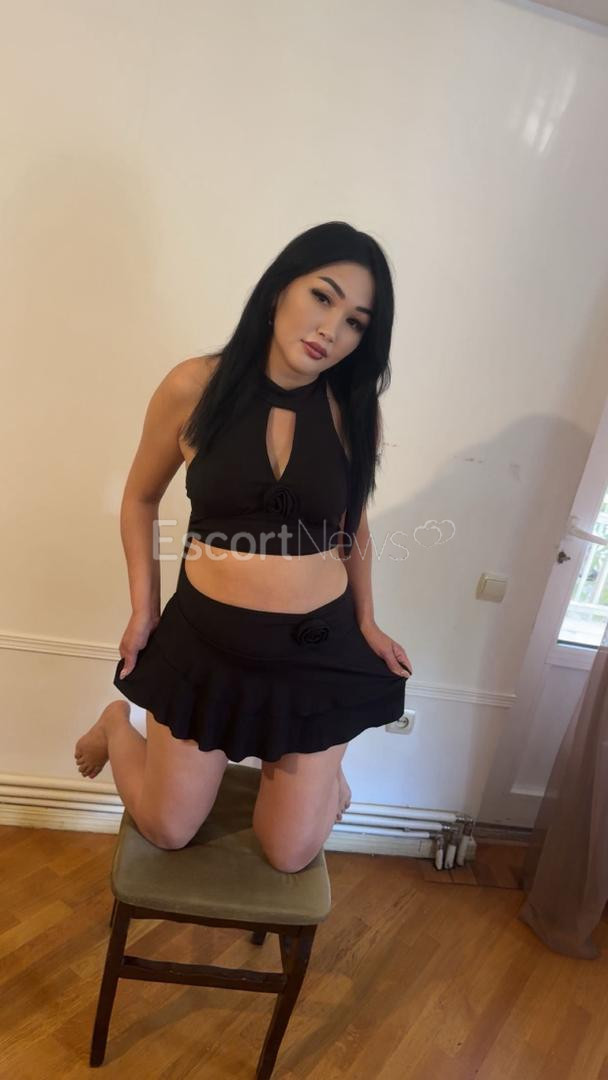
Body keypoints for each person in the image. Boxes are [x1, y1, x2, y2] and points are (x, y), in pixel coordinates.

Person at [74, 220, 413, 873]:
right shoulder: (192, 387)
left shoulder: (355, 415)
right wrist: (144, 610)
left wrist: (368, 622)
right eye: (322, 296)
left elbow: (353, 529)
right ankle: (118, 723)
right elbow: (140, 499)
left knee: (289, 853)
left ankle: (323, 761)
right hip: (207, 645)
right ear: (282, 286)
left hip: (317, 653)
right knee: (168, 828)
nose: (331, 329)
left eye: (355, 322)